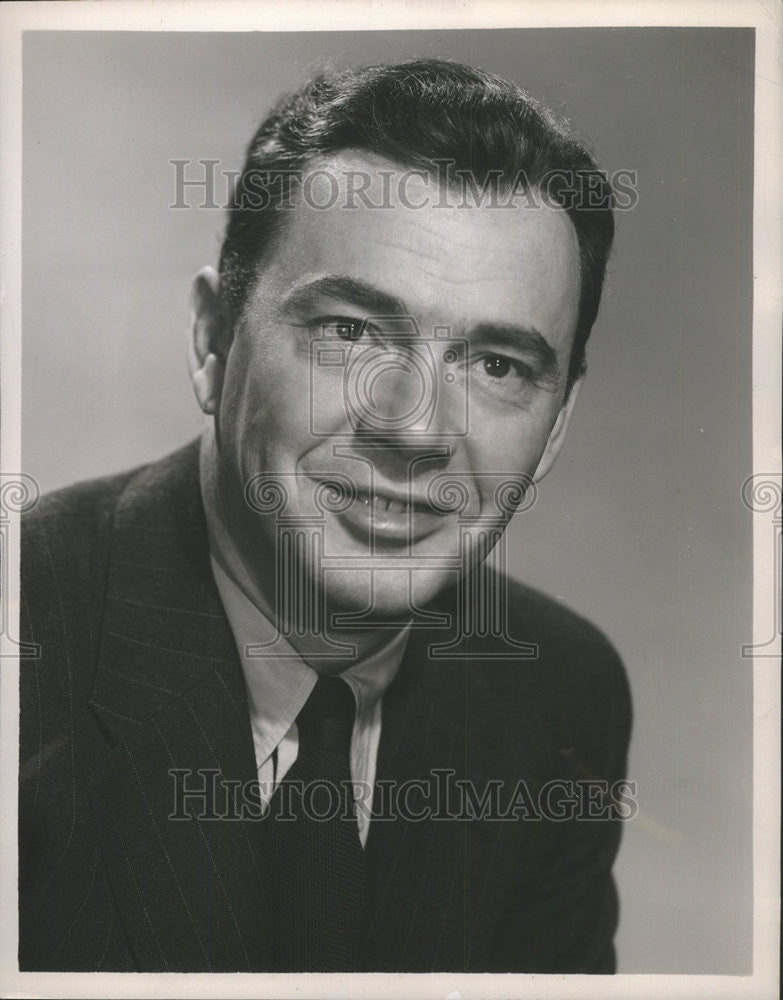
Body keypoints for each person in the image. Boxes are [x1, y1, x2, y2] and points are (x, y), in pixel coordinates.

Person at [18, 58, 632, 973]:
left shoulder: (559, 697)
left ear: (555, 427)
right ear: (212, 340)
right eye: (349, 329)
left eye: (497, 365)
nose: (415, 427)